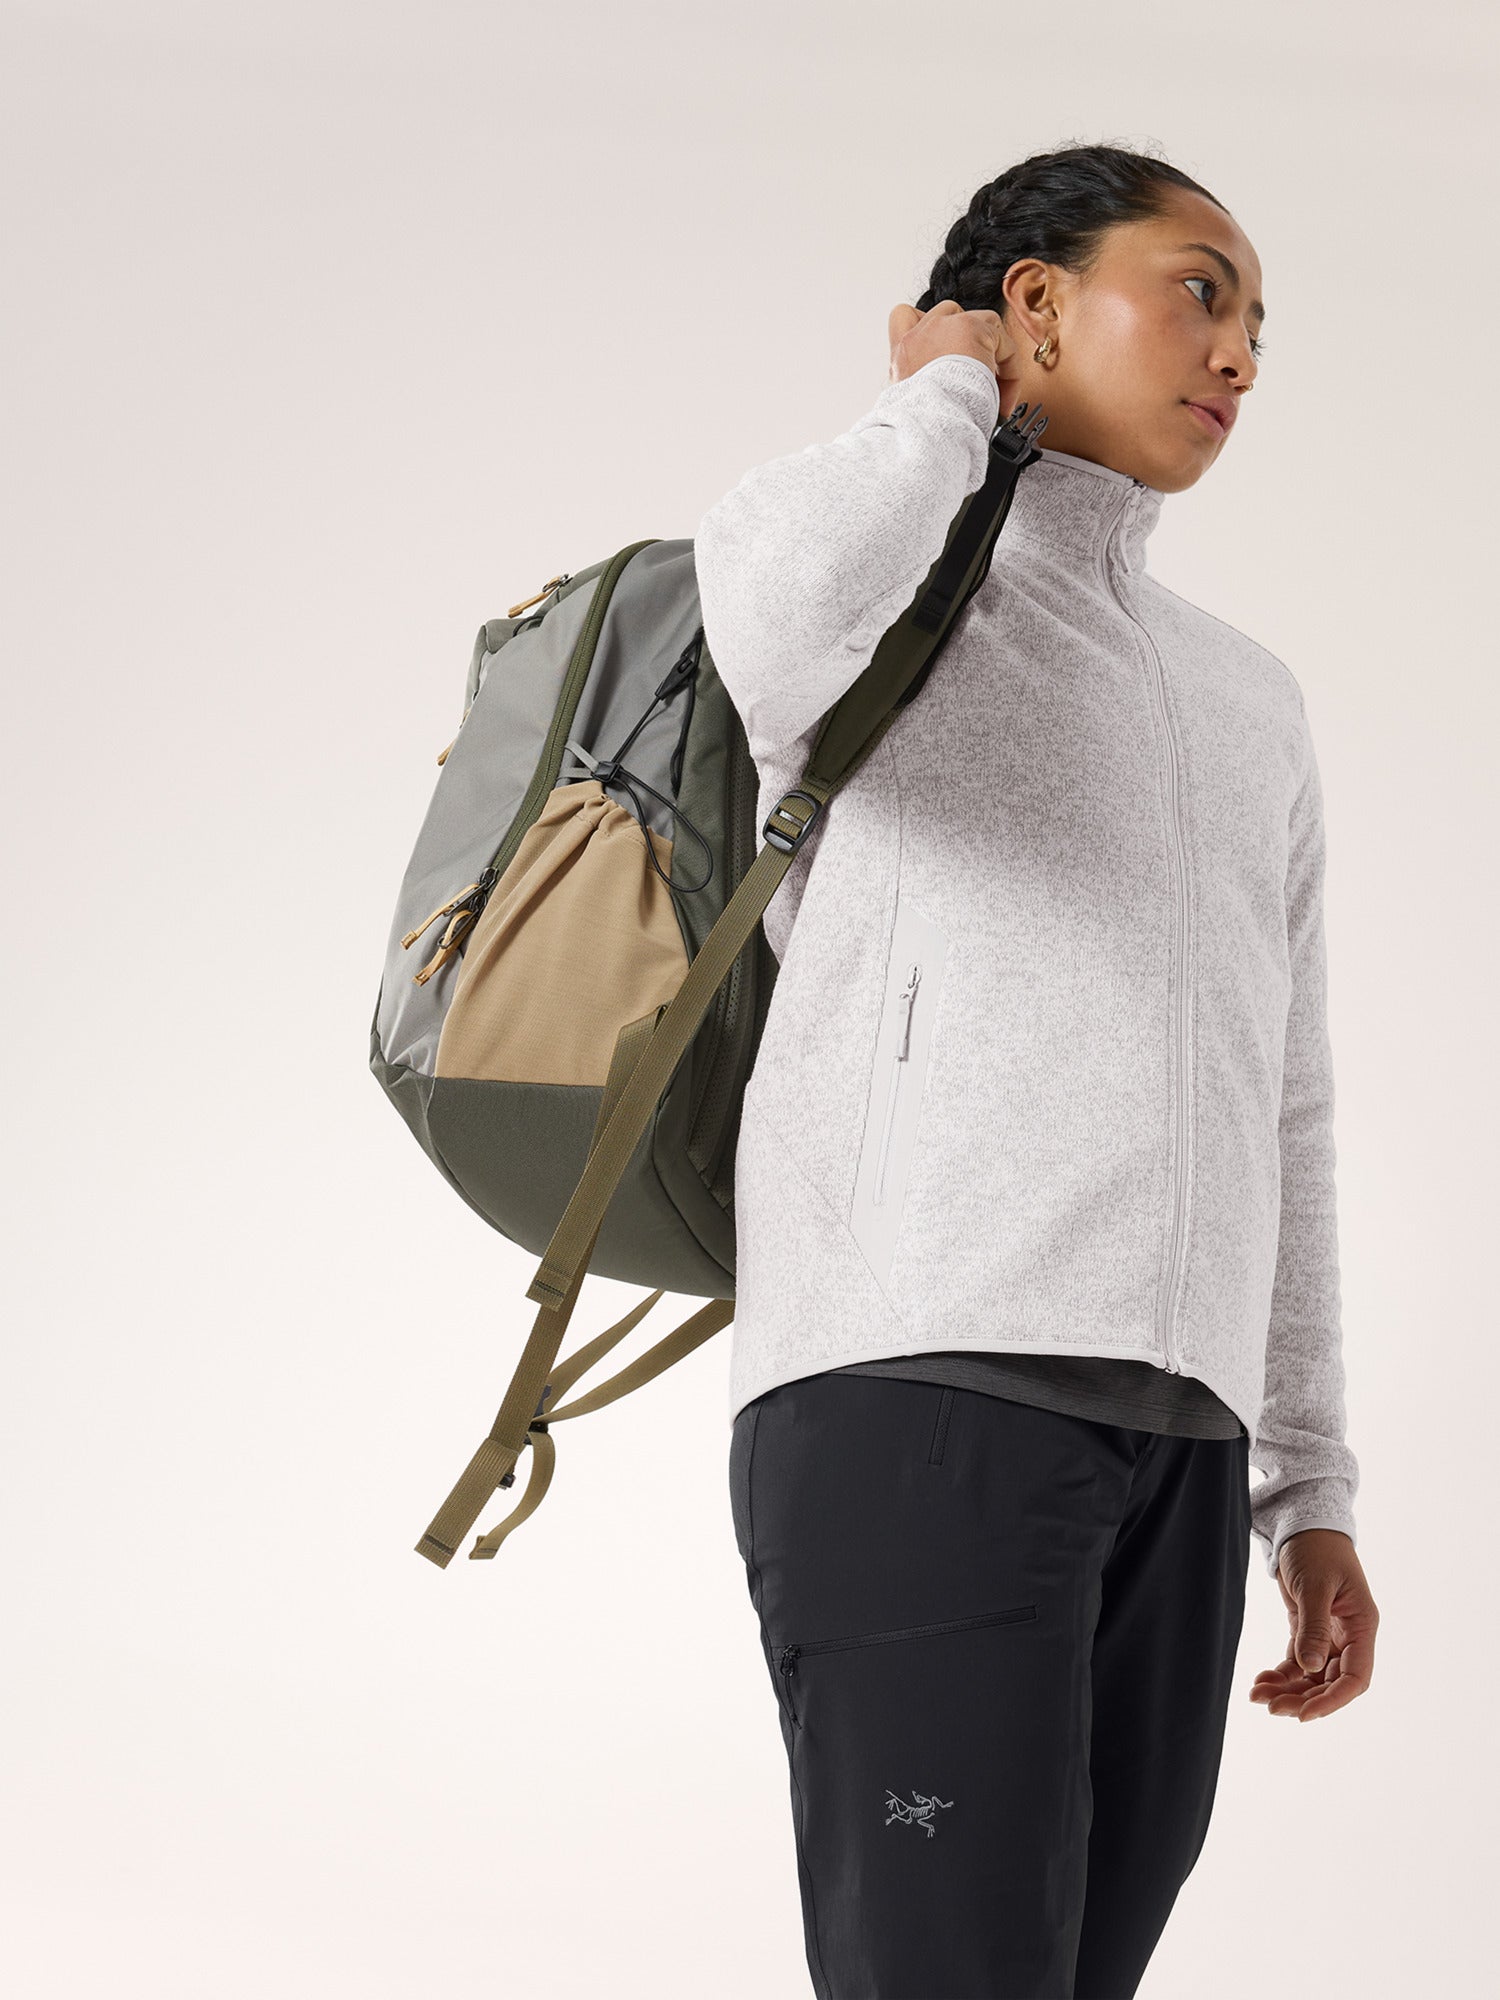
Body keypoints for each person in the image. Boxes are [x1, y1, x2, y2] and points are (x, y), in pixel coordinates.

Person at [693, 142, 1381, 1999]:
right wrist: (939, 397)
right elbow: (769, 603)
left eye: (1260, 326)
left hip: (1183, 1446)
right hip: (925, 1390)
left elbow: (1287, 1100)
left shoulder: (1250, 697)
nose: (1238, 355)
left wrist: (1309, 1485)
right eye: (1199, 291)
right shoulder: (890, 579)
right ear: (1036, 303)